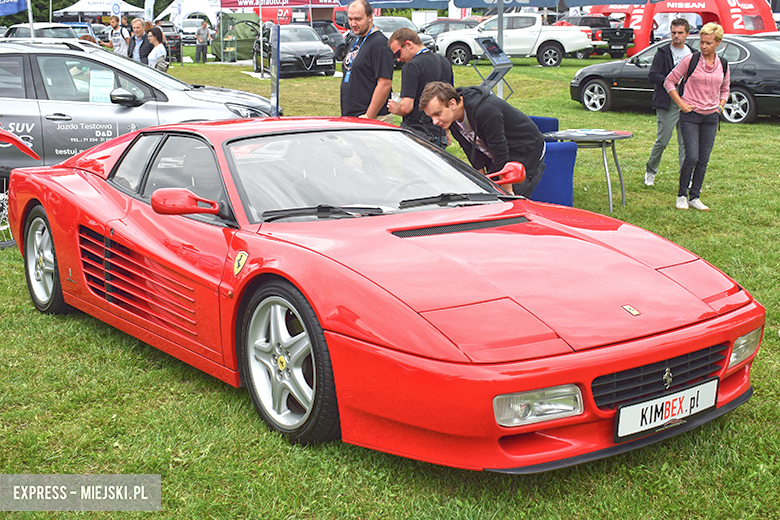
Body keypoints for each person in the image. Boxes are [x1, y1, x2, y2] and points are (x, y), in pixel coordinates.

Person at [420, 82, 545, 197]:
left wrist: (508, 192)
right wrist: (481, 182)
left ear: (452, 104)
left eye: (437, 114)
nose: (434, 122)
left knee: (508, 199)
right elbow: (470, 150)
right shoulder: (451, 120)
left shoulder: (486, 110)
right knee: (489, 194)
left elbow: (500, 151)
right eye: (431, 117)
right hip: (496, 156)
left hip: (525, 150)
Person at [665, 22, 729, 211]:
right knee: (691, 156)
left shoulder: (723, 64)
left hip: (711, 117)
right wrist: (682, 104)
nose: (704, 46)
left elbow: (725, 88)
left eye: (708, 43)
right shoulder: (690, 60)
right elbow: (669, 81)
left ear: (718, 43)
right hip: (691, 115)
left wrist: (721, 106)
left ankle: (695, 196)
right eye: (702, 42)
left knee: (703, 158)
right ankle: (681, 195)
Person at [387, 27, 453, 149]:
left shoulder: (411, 66)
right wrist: (446, 130)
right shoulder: (444, 61)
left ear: (408, 45)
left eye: (398, 53)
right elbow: (449, 102)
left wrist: (396, 108)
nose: (398, 59)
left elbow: (406, 107)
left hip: (418, 134)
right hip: (439, 131)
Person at [644, 18, 692, 187]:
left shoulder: (692, 53)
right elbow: (652, 75)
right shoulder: (663, 52)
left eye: (680, 33)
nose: (676, 36)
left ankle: (686, 178)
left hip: (688, 101)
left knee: (685, 143)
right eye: (673, 32)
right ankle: (650, 170)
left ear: (687, 33)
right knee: (663, 141)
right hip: (667, 102)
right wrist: (670, 80)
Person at [340, 0, 394, 122]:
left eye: (358, 19)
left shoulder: (380, 44)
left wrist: (368, 116)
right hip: (351, 116)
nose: (353, 23)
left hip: (371, 118)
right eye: (350, 19)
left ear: (370, 17)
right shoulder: (355, 39)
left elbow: (384, 83)